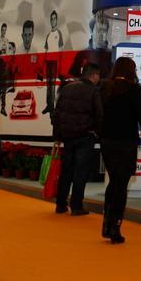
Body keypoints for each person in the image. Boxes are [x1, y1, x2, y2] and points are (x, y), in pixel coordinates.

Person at [100, 57, 141, 244]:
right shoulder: (135, 89)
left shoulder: (104, 87)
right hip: (126, 142)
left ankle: (106, 222)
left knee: (114, 180)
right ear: (132, 70)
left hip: (107, 141)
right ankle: (115, 226)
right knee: (121, 184)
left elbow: (98, 113)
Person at [52, 62, 103, 215]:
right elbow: (99, 115)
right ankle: (76, 206)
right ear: (93, 75)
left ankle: (60, 204)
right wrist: (97, 132)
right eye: (98, 75)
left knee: (66, 171)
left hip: (67, 137)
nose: (99, 79)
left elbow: (57, 113)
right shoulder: (93, 91)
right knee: (81, 172)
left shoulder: (67, 88)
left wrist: (57, 136)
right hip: (85, 136)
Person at [42, 11, 63, 116]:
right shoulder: (48, 35)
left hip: (55, 62)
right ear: (50, 21)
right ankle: (48, 105)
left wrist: (60, 64)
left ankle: (52, 107)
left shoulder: (59, 33)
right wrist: (43, 64)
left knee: (53, 85)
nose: (53, 20)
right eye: (51, 19)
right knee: (48, 84)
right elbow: (46, 50)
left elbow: (61, 49)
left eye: (54, 18)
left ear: (57, 20)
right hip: (48, 62)